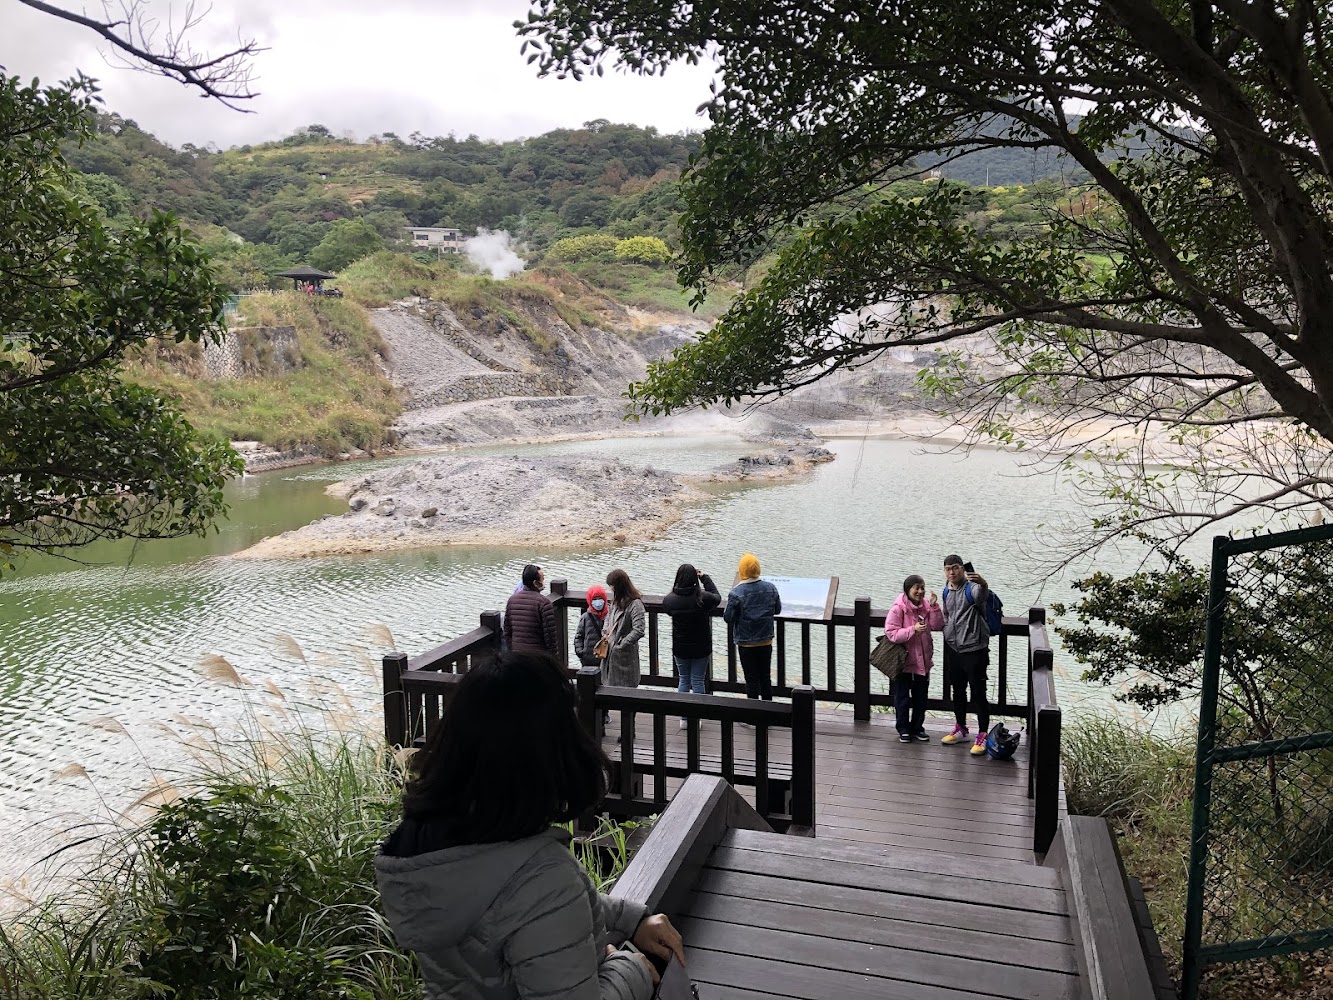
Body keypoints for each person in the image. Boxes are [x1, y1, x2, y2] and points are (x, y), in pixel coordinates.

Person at [376, 650, 685, 1000]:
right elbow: (535, 899)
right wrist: (631, 969)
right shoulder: (543, 878)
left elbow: (514, 907)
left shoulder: (428, 846)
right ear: (552, 749)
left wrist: (629, 919)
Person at [940, 554, 992, 755]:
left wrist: (984, 583)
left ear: (962, 569)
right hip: (954, 648)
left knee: (978, 692)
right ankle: (961, 727)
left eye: (955, 568)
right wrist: (946, 632)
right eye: (948, 569)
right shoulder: (947, 591)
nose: (952, 572)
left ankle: (983, 734)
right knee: (958, 690)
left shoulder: (972, 589)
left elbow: (981, 595)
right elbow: (947, 616)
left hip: (974, 648)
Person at [884, 574, 944, 743]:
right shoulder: (898, 608)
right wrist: (912, 629)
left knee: (921, 697)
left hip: (923, 660)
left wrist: (934, 607)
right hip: (903, 661)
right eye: (916, 588)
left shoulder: (926, 606)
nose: (920, 591)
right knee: (902, 696)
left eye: (922, 587)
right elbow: (891, 633)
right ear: (907, 590)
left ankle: (918, 727)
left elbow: (937, 625)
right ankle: (902, 728)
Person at [660, 563, 721, 729]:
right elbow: (717, 596)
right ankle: (696, 716)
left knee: (684, 680)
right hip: (701, 647)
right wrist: (704, 578)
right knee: (698, 681)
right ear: (695, 579)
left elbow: (667, 605)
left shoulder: (670, 600)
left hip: (681, 648)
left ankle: (684, 719)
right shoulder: (703, 599)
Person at [722, 553, 782, 701]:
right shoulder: (771, 588)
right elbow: (778, 609)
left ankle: (753, 716)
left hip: (746, 642)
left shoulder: (736, 593)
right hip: (766, 640)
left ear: (742, 571)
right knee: (765, 677)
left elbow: (728, 617)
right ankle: (768, 712)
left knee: (751, 679)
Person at [601, 569, 646, 689]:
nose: (611, 589)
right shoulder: (615, 601)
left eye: (612, 586)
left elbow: (639, 629)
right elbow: (608, 618)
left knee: (627, 692)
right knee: (609, 687)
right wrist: (605, 633)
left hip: (625, 655)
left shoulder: (635, 604)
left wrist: (621, 644)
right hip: (610, 653)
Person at [503, 564, 558, 656]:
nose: (543, 582)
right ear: (535, 583)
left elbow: (507, 631)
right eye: (542, 579)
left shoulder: (512, 600)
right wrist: (553, 658)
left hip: (517, 656)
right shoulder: (544, 603)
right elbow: (550, 637)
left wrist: (512, 651)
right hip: (538, 657)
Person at [575, 584, 610, 668]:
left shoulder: (610, 616)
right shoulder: (585, 617)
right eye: (595, 599)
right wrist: (580, 652)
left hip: (606, 658)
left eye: (600, 598)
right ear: (590, 600)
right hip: (588, 658)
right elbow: (579, 636)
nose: (598, 602)